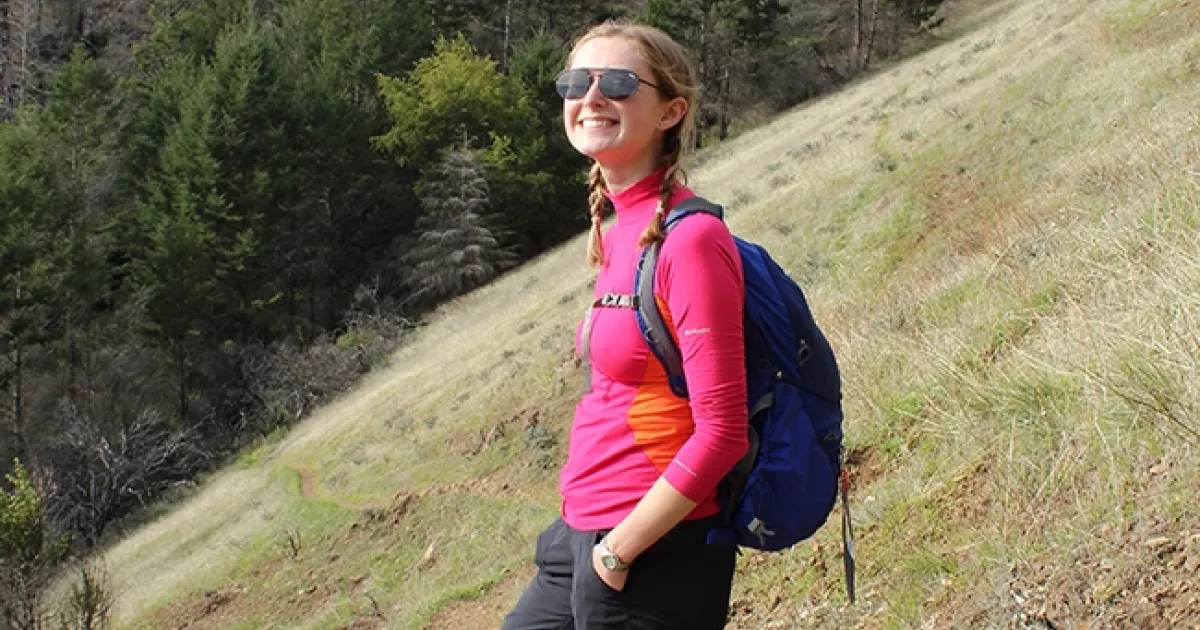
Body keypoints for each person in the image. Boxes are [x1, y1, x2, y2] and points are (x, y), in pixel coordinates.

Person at [501, 20, 749, 630]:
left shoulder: (691, 241)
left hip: (651, 553)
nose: (591, 97)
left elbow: (723, 433)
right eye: (575, 83)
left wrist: (617, 552)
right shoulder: (622, 233)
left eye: (616, 82)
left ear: (670, 111)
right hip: (579, 534)